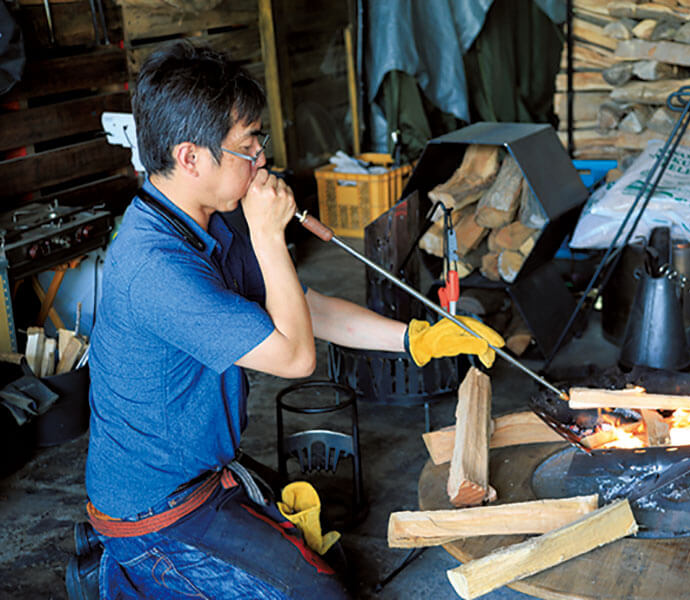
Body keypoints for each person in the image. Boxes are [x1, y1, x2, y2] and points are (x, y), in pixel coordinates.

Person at [82, 40, 503, 599]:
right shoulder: (155, 267)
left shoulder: (203, 218)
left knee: (332, 555)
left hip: (204, 474)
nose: (262, 160)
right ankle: (126, 574)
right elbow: (295, 357)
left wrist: (417, 338)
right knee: (326, 594)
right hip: (157, 512)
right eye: (248, 146)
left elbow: (306, 308)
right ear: (190, 157)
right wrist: (266, 233)